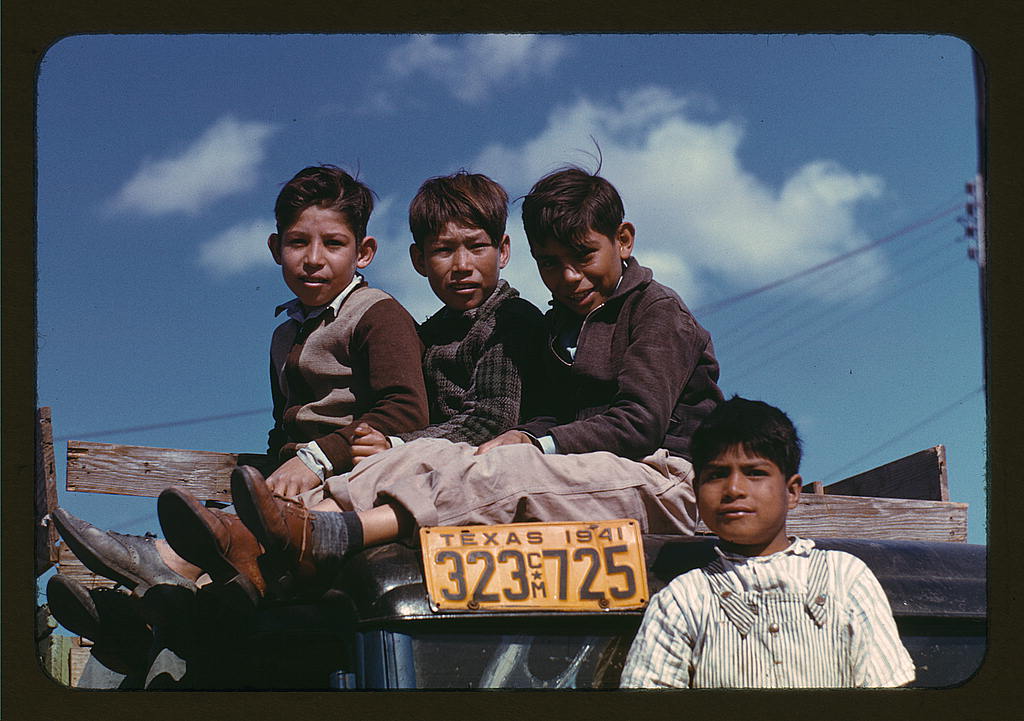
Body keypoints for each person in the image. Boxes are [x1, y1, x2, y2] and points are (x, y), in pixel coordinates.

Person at [226, 166, 724, 589]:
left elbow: (638, 423)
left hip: (667, 479)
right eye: (551, 264)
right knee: (437, 455)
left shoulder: (655, 311)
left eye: (584, 256)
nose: (569, 277)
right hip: (595, 476)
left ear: (624, 240)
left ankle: (338, 532)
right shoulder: (564, 324)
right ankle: (253, 536)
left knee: (498, 468)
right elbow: (554, 411)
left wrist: (532, 439)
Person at [50, 164, 429, 608]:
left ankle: (161, 564)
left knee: (227, 542)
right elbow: (281, 426)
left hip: (351, 477)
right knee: (226, 551)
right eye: (297, 242)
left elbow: (405, 410)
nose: (313, 258)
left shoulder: (377, 314)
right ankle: (140, 616)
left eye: (333, 244)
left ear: (363, 252)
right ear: (275, 247)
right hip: (293, 482)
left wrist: (318, 456)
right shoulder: (284, 335)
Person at [619, 396, 916, 688]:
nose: (734, 489)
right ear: (696, 491)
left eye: (755, 473)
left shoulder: (845, 578)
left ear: (792, 492)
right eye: (717, 475)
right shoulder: (683, 600)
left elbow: (889, 698)